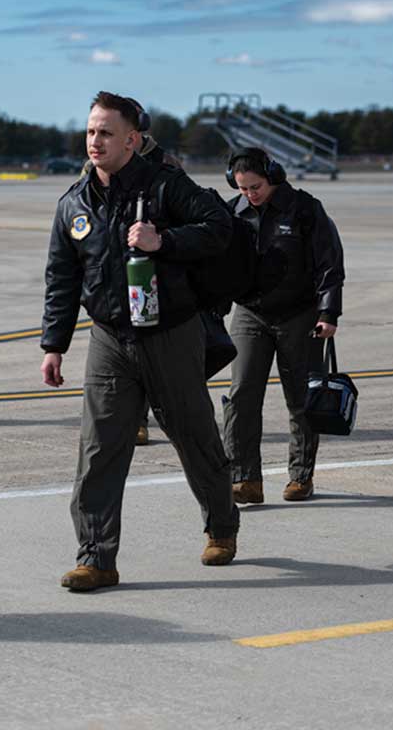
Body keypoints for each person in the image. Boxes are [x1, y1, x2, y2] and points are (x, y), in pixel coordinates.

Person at [41, 91, 241, 592]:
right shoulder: (73, 205)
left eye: (106, 133)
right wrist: (53, 344)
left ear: (131, 140)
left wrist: (163, 242)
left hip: (170, 334)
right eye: (90, 131)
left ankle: (221, 524)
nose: (95, 141)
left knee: (194, 437)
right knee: (100, 449)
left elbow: (220, 228)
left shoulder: (165, 187)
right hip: (109, 338)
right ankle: (96, 556)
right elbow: (61, 278)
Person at [222, 147, 344, 504]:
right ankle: (245, 478)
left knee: (300, 397)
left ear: (273, 175)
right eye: (242, 188)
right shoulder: (234, 213)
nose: (250, 194)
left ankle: (300, 476)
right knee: (242, 393)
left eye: (256, 186)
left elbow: (329, 263)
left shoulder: (305, 209)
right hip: (250, 313)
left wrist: (328, 313)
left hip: (299, 315)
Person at [78, 98, 181, 446]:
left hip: (153, 268)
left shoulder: (165, 165)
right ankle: (137, 421)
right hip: (113, 270)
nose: (98, 139)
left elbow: (185, 211)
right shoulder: (96, 165)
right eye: (93, 131)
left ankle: (166, 417)